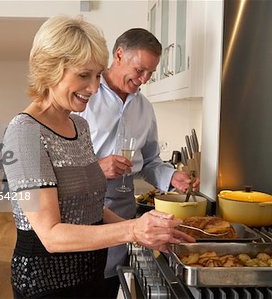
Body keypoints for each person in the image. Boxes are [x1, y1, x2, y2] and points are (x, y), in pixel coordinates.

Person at [2, 16, 194, 299]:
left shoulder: (78, 126)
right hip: (46, 284)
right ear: (49, 69)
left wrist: (148, 230)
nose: (93, 88)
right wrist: (132, 230)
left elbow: (90, 206)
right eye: (83, 76)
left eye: (95, 76)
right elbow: (51, 235)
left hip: (90, 272)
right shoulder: (24, 134)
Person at [77, 28, 201, 297]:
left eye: (150, 74)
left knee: (109, 284)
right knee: (82, 281)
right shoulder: (84, 98)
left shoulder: (145, 108)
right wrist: (97, 168)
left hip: (123, 209)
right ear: (119, 54)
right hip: (82, 208)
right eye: (140, 70)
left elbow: (151, 161)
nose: (144, 79)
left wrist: (172, 177)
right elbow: (59, 167)